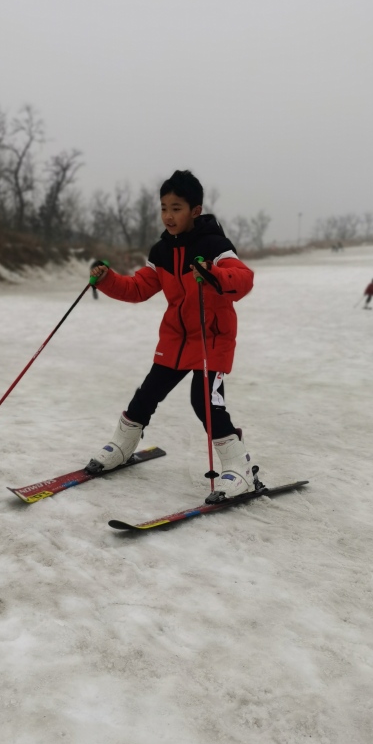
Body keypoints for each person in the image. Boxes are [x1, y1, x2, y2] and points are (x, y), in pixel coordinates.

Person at [87, 170, 256, 499]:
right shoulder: (161, 251)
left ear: (195, 210)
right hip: (175, 340)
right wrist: (107, 279)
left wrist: (213, 274)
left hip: (212, 339)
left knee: (205, 401)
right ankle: (122, 447)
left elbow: (244, 278)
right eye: (164, 207)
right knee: (147, 394)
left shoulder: (214, 245)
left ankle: (240, 467)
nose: (168, 215)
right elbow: (138, 288)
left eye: (176, 207)